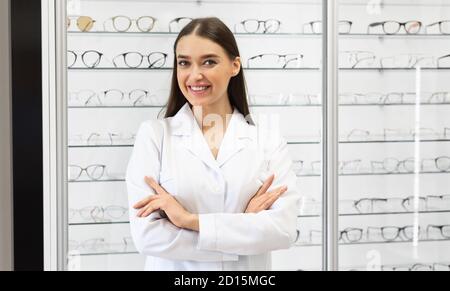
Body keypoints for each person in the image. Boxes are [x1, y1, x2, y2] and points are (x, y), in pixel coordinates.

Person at [126, 17, 300, 271]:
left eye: (209, 61)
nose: (195, 75)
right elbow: (148, 237)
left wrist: (188, 220)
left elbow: (283, 230)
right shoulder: (154, 136)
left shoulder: (267, 139)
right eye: (184, 63)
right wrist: (243, 225)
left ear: (234, 66)